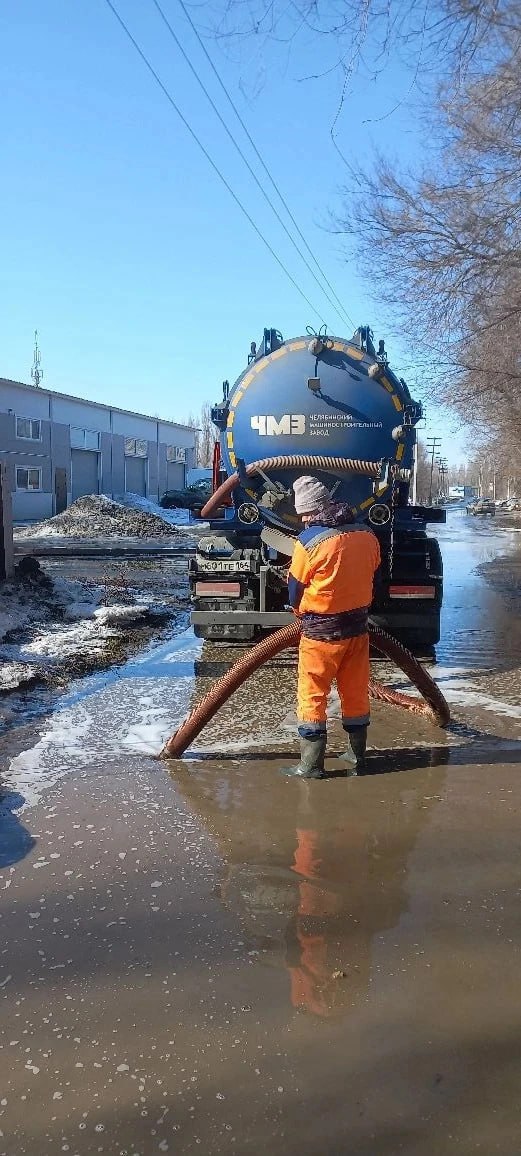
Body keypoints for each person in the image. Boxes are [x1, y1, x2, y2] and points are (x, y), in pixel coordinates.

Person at [284, 475, 381, 779]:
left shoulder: (309, 542)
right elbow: (374, 571)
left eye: (304, 514)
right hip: (357, 630)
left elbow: (294, 587)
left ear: (314, 511)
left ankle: (311, 765)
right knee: (354, 692)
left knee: (312, 694)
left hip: (320, 635)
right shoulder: (367, 534)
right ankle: (356, 757)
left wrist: (298, 610)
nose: (301, 520)